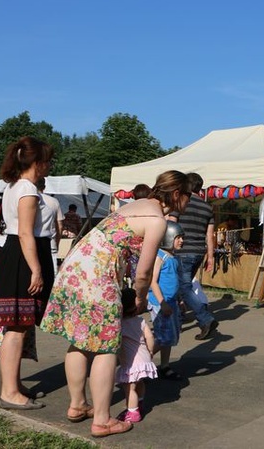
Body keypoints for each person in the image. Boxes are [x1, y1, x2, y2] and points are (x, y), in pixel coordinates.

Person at [40, 170, 191, 438]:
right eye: (189, 195)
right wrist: (141, 298)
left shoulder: (133, 205)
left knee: (81, 341)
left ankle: (77, 405)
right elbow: (144, 272)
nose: (190, 201)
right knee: (106, 349)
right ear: (177, 194)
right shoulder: (156, 220)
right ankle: (102, 420)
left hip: (76, 268)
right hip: (100, 276)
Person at [0, 136, 55, 410]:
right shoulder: (27, 188)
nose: (50, 166)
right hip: (23, 257)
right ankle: (9, 392)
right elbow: (26, 232)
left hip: (15, 254)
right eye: (48, 160)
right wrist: (36, 270)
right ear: (38, 163)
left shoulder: (14, 185)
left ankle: (13, 385)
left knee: (18, 326)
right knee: (16, 328)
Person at [168, 172, 218, 340]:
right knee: (182, 286)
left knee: (183, 287)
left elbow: (171, 225)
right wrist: (210, 257)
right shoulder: (207, 207)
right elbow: (209, 235)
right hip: (199, 251)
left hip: (182, 250)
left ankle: (205, 318)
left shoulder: (181, 202)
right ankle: (179, 318)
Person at [148, 221, 185, 381]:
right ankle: (140, 362)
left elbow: (176, 281)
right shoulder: (160, 256)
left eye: (181, 238)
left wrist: (180, 300)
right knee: (163, 336)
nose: (181, 241)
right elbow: (153, 281)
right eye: (178, 238)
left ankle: (164, 365)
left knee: (169, 336)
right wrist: (162, 303)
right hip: (160, 302)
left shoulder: (174, 258)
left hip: (172, 302)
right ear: (168, 237)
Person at [115, 287, 157, 423]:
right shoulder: (140, 321)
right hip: (144, 357)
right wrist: (150, 351)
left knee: (130, 387)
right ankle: (140, 403)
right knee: (140, 383)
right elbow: (150, 337)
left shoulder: (120, 324)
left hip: (131, 361)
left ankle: (132, 412)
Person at [36, 178, 64, 275]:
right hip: (50, 242)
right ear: (44, 187)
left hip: (33, 242)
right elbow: (59, 226)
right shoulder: (54, 201)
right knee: (52, 273)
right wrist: (57, 241)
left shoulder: (29, 200)